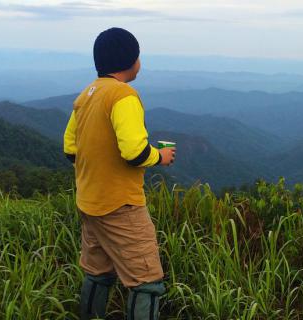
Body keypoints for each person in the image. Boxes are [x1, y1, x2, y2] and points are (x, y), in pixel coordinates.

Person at [63, 27, 175, 320]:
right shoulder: (123, 95)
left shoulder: (85, 95)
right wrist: (160, 157)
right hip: (121, 206)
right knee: (147, 281)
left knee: (98, 274)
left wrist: (99, 164)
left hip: (89, 202)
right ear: (131, 61)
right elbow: (134, 153)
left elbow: (70, 149)